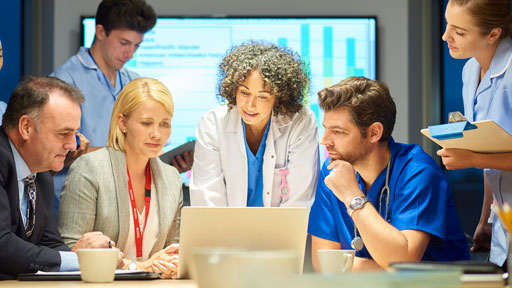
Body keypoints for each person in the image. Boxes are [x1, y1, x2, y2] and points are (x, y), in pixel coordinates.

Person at [308, 77, 469, 272]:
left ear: (374, 132)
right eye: (326, 129)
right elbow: (323, 264)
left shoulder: (418, 172)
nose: (324, 141)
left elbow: (403, 261)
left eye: (339, 132)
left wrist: (352, 196)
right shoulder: (333, 170)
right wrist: (387, 268)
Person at [51, 0, 193, 217]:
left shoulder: (133, 82)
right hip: (77, 203)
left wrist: (162, 163)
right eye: (124, 42)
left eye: (136, 45)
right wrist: (131, 152)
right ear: (100, 31)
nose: (130, 53)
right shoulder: (64, 81)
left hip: (124, 206)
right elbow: (57, 149)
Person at [58, 78, 181, 279]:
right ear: (122, 122)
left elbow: (173, 249)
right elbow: (72, 250)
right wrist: (138, 266)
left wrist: (173, 262)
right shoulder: (90, 167)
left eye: (164, 124)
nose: (157, 134)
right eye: (146, 123)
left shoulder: (171, 177)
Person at [190, 42, 319, 207]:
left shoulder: (300, 122)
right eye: (244, 92)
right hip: (225, 230)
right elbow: (208, 200)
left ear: (279, 97)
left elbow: (299, 201)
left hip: (281, 230)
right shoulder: (213, 123)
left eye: (263, 96)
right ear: (233, 89)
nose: (250, 105)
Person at [439, 0, 512, 270]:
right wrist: (485, 220)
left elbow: (483, 156)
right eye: (448, 24)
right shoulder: (470, 70)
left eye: (459, 31)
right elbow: (489, 148)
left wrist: (471, 158)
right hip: (504, 217)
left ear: (493, 34)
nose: (446, 36)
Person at [0, 76, 84, 279]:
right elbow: (2, 244)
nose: (73, 145)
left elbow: (50, 243)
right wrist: (78, 260)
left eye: (75, 133)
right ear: (26, 127)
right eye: (64, 133)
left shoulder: (41, 173)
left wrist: (94, 260)